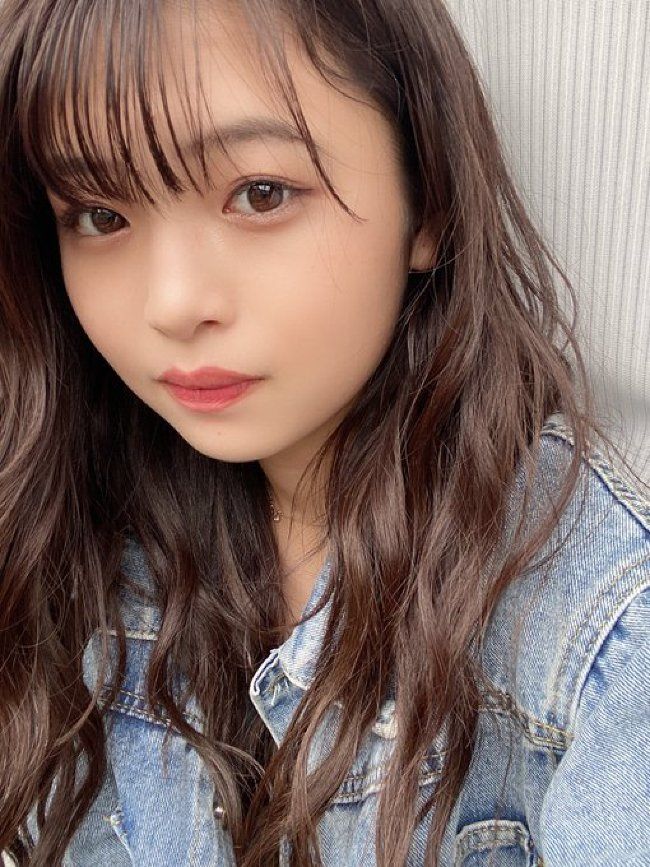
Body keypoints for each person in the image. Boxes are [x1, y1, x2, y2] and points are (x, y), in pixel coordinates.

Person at [0, 1, 647, 865]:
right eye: (99, 216)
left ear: (427, 200)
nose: (172, 303)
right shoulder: (76, 532)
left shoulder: (603, 638)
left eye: (260, 194)